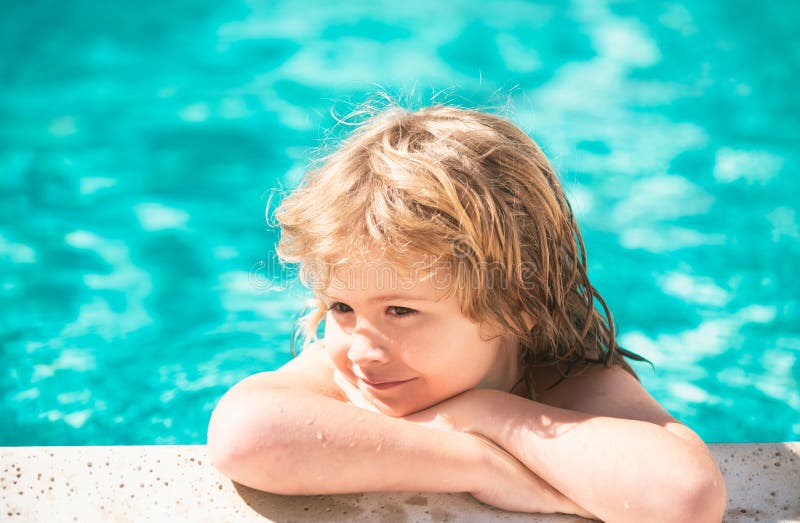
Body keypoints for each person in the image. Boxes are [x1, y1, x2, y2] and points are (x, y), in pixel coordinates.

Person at [207, 102, 727, 522]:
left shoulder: (565, 385)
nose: (361, 348)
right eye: (341, 306)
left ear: (515, 306)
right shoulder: (343, 377)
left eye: (400, 311)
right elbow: (245, 437)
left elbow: (685, 499)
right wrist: (478, 465)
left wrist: (485, 414)